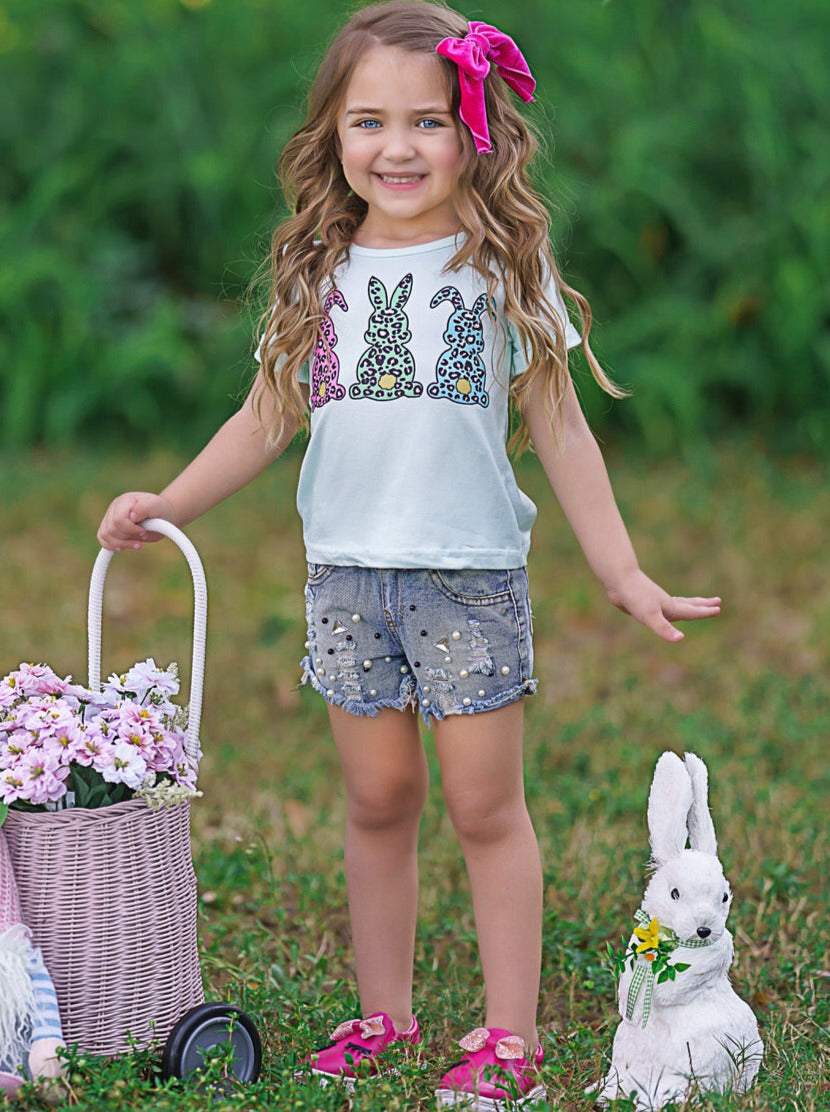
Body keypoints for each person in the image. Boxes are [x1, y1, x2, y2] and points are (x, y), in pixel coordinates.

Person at [97, 2, 720, 1107]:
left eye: (426, 121)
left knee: (484, 806)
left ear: (472, 130)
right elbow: (266, 413)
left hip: (464, 578)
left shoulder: (501, 265)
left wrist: (620, 571)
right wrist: (169, 501)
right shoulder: (317, 269)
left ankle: (510, 1036)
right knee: (377, 797)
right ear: (333, 136)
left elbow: (562, 428)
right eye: (368, 122)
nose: (397, 147)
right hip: (346, 576)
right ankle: (383, 1010)